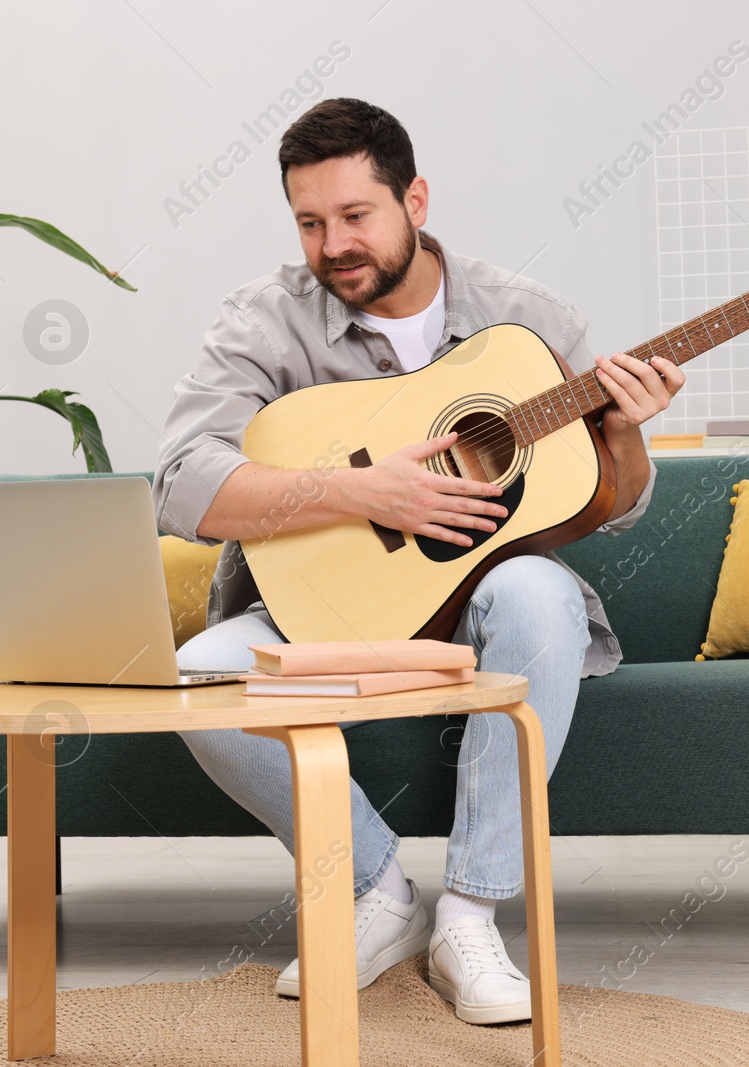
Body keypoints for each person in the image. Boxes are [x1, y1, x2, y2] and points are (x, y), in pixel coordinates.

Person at [151, 97, 684, 1025]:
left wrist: (627, 434)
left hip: (482, 598)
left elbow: (612, 502)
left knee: (539, 593)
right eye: (310, 223)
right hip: (319, 607)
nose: (333, 245)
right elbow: (183, 486)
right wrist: (360, 493)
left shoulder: (525, 320)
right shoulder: (265, 320)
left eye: (355, 216)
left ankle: (470, 919)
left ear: (416, 200)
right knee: (197, 675)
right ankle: (380, 895)